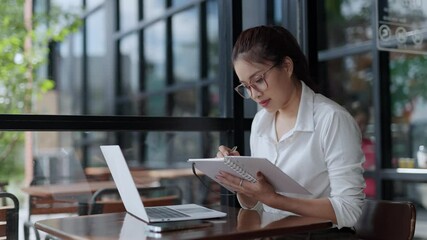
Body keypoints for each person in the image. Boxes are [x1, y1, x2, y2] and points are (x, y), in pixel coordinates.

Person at [216, 25, 366, 231]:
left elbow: (349, 211)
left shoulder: (331, 119)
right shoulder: (261, 122)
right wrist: (240, 182)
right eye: (246, 86)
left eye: (258, 80)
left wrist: (275, 199)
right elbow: (258, 206)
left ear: (286, 66)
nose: (254, 94)